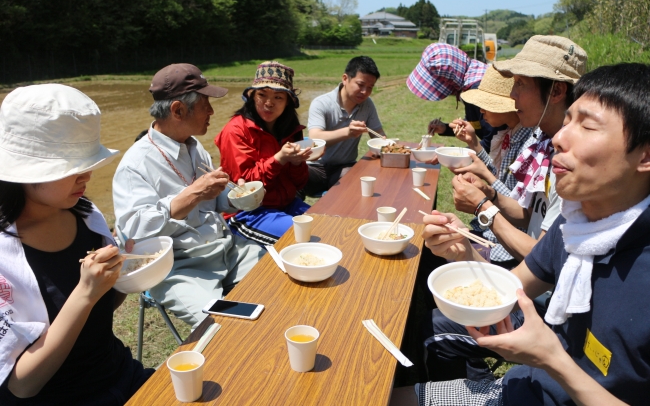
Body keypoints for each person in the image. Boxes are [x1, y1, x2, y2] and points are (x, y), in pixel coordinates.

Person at [398, 62, 650, 406]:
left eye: (588, 126)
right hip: (523, 386)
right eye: (566, 123)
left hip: (543, 381)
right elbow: (510, 289)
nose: (559, 139)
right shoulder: (576, 222)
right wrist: (462, 253)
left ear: (645, 155)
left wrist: (552, 359)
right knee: (387, 397)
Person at [421, 36, 586, 384]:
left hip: (548, 308)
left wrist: (483, 208)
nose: (511, 97)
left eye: (520, 85)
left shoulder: (573, 164)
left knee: (430, 327)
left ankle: (471, 387)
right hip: (529, 282)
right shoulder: (545, 144)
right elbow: (529, 215)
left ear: (555, 92)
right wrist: (489, 204)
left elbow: (543, 257)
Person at [0, 84, 153, 405]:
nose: (86, 176)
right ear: (26, 170)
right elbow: (22, 385)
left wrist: (127, 275)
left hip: (121, 373)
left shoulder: (85, 214)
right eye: (71, 166)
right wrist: (84, 293)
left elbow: (99, 312)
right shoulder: (4, 253)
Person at [113, 63, 264, 329]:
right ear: (178, 110)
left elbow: (214, 203)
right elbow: (133, 235)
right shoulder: (135, 164)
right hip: (179, 267)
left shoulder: (196, 149)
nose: (212, 112)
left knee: (276, 282)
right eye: (205, 104)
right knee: (221, 324)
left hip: (226, 250)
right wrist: (192, 194)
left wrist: (237, 196)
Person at [215, 61, 311, 245]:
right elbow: (243, 191)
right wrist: (278, 159)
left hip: (287, 204)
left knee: (327, 223)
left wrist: (298, 163)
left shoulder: (291, 129)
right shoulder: (236, 130)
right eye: (262, 95)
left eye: (278, 97)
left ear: (288, 102)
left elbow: (300, 183)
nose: (269, 103)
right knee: (305, 237)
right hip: (248, 213)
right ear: (251, 96)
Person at [452, 65, 532, 267]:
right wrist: (474, 143)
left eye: (486, 104)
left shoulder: (527, 143)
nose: (480, 111)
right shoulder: (512, 133)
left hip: (505, 246)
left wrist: (487, 178)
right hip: (493, 231)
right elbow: (501, 174)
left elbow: (519, 206)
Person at [305, 56, 386, 195]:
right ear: (345, 78)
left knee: (356, 182)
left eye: (370, 87)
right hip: (316, 167)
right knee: (291, 178)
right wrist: (348, 132)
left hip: (344, 167)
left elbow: (378, 133)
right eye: (360, 85)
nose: (365, 92)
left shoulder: (367, 104)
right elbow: (315, 137)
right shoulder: (321, 103)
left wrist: (389, 146)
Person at [407, 43, 504, 153]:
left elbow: (493, 143)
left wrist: (451, 155)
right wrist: (446, 128)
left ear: (450, 79)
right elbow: (476, 122)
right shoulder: (471, 75)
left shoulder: (478, 90)